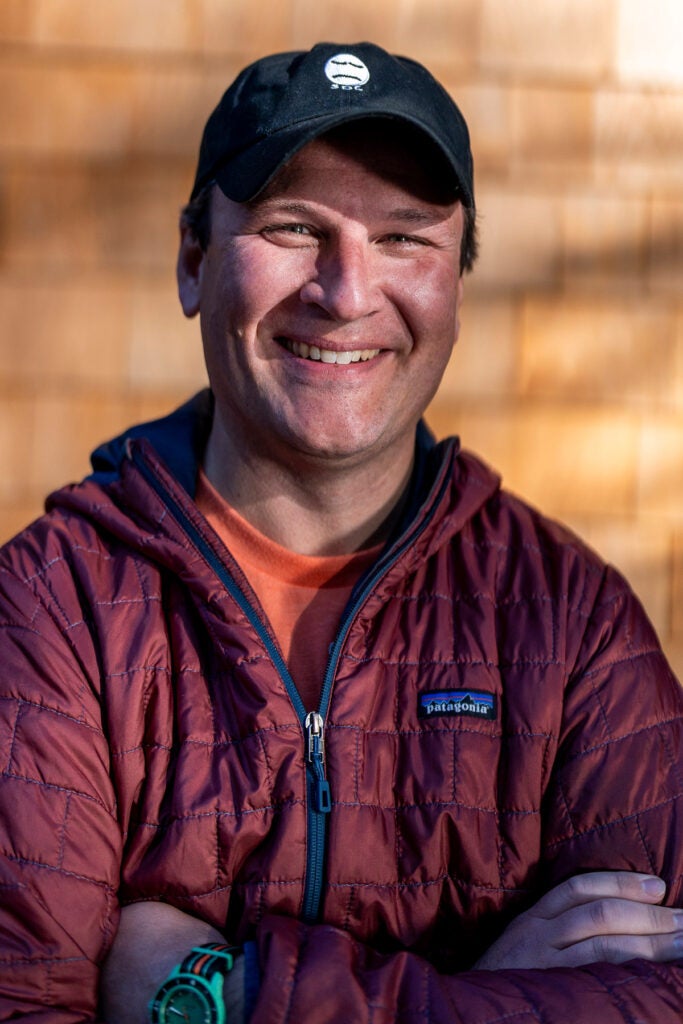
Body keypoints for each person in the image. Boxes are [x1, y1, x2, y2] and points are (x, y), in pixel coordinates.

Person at [0, 40, 682, 1024]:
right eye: (291, 227)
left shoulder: (566, 623)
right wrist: (496, 994)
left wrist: (220, 997)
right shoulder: (55, 608)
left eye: (404, 238)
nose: (345, 289)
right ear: (192, 261)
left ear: (455, 285)